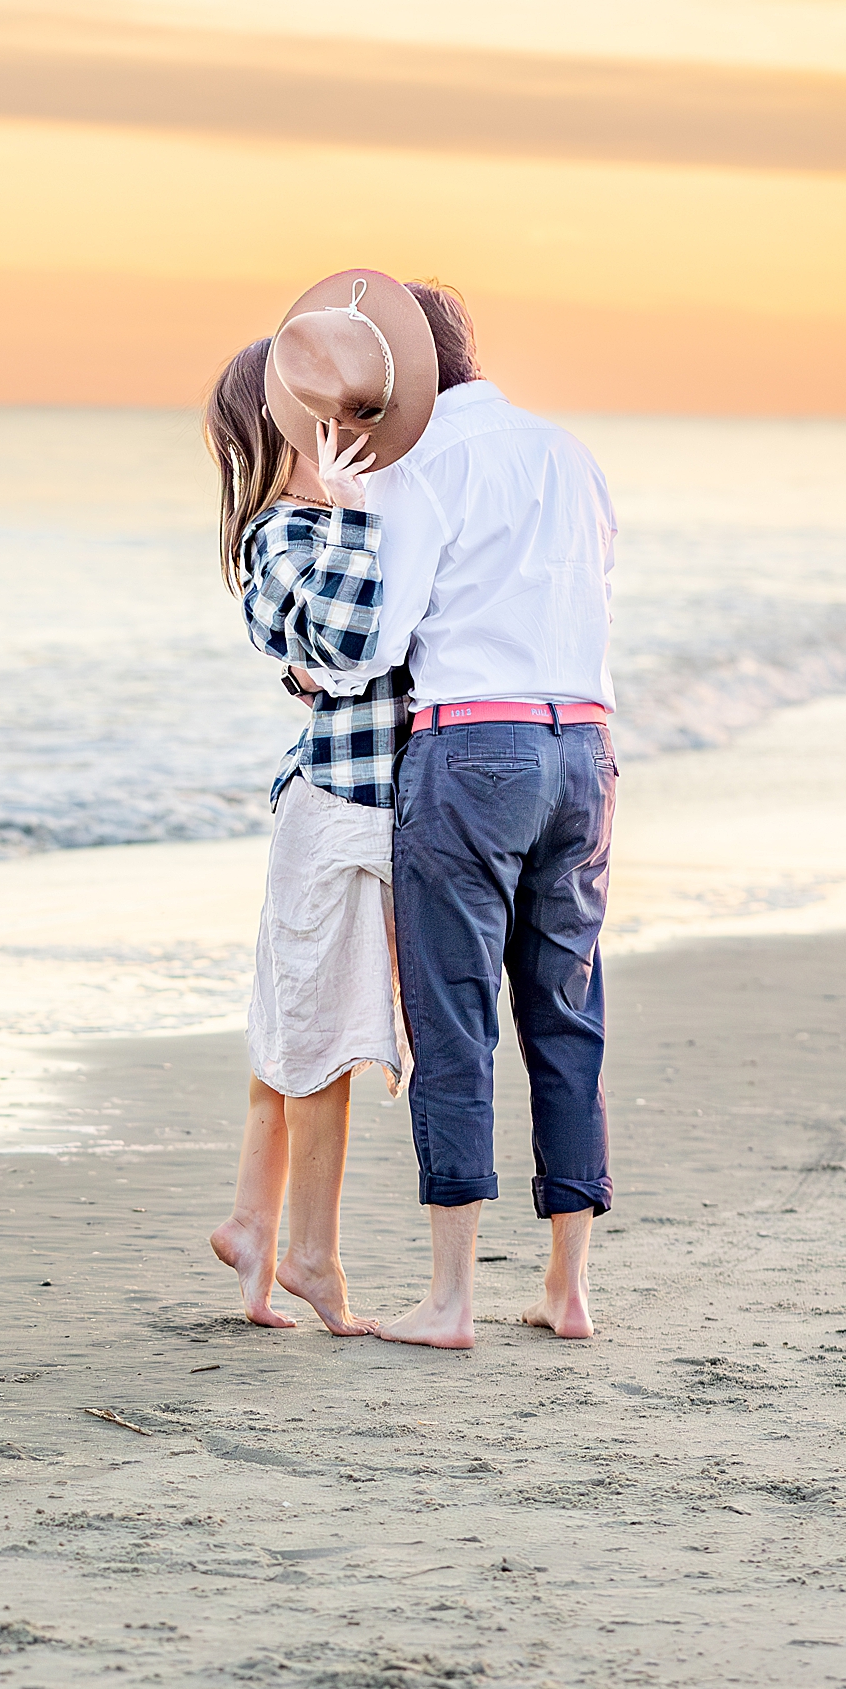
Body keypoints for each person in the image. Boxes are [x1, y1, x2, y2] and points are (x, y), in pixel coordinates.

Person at [339, 283, 619, 1349]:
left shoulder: (424, 466)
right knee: (566, 1010)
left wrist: (331, 674)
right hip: (583, 745)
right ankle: (568, 1288)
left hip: (474, 749)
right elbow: (597, 594)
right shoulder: (568, 452)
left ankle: (450, 1300)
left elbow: (385, 632)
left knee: (451, 1011)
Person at [201, 273, 439, 1336]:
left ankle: (255, 1228)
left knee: (293, 1021)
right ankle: (310, 1253)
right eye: (324, 419)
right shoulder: (283, 535)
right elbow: (344, 648)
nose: (347, 432)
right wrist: (352, 516)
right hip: (342, 807)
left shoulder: (336, 521)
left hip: (349, 802)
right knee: (323, 1037)